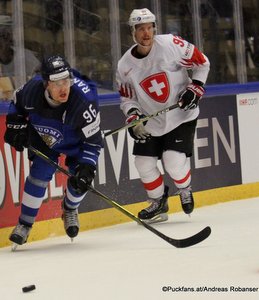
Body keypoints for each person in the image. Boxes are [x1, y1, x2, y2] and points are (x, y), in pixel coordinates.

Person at [116, 8, 210, 224]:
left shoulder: (170, 45)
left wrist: (195, 87)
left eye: (149, 28)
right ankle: (158, 202)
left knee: (174, 161)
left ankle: (184, 188)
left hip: (181, 114)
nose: (146, 33)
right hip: (152, 119)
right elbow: (127, 98)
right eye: (141, 29)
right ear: (133, 32)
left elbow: (202, 62)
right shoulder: (124, 65)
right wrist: (132, 115)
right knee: (143, 163)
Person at [4, 55, 103, 246]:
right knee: (39, 174)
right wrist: (15, 127)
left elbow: (92, 142)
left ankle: (70, 209)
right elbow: (16, 105)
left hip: (77, 141)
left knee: (81, 180)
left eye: (66, 81)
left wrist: (87, 167)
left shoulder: (84, 102)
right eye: (57, 83)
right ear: (46, 84)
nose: (63, 87)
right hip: (44, 138)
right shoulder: (32, 90)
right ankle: (24, 224)